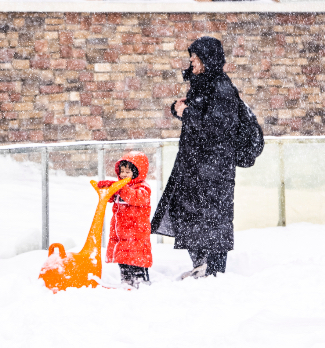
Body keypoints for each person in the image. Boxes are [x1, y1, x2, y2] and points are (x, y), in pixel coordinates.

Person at [151, 36, 240, 279]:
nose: (191, 61)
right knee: (185, 210)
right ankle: (201, 262)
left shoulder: (221, 87)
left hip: (213, 168)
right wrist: (178, 108)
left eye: (196, 58)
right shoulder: (202, 84)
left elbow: (216, 128)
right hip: (194, 164)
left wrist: (187, 112)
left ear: (207, 60)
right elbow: (197, 119)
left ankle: (213, 268)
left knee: (211, 216)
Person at [97, 150, 152, 287]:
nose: (123, 175)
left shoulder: (143, 188)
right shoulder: (121, 186)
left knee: (136, 257)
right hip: (120, 232)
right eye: (122, 172)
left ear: (138, 172)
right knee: (122, 257)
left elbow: (135, 198)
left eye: (127, 172)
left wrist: (120, 187)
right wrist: (108, 188)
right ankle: (126, 279)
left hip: (136, 232)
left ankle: (140, 279)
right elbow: (110, 199)